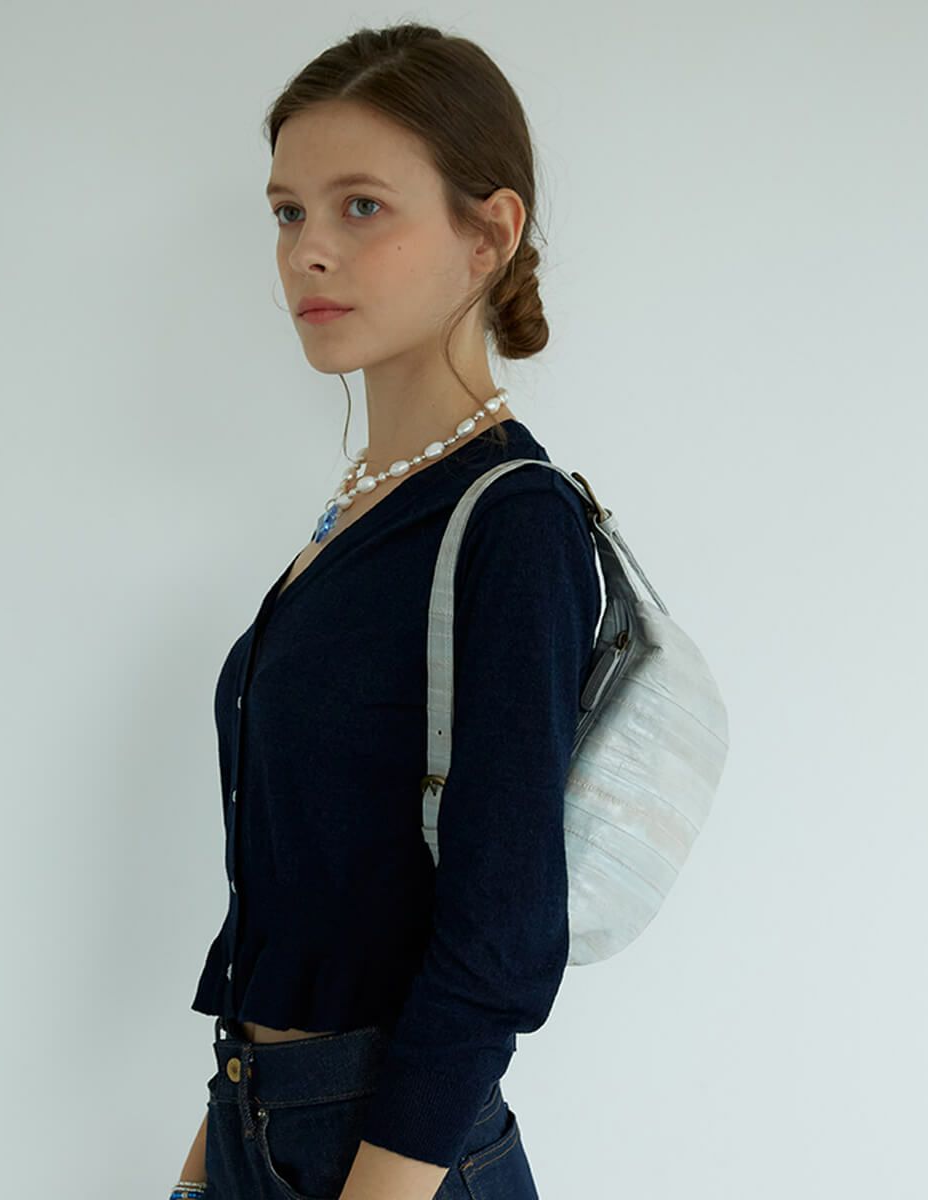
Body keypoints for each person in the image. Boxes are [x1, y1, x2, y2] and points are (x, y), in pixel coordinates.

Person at [174, 21, 599, 1200]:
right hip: (258, 1130)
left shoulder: (511, 522)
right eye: (288, 212)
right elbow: (301, 902)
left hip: (395, 1161)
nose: (308, 251)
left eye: (361, 206)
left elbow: (500, 942)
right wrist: (207, 1165)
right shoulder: (356, 515)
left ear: (488, 234)